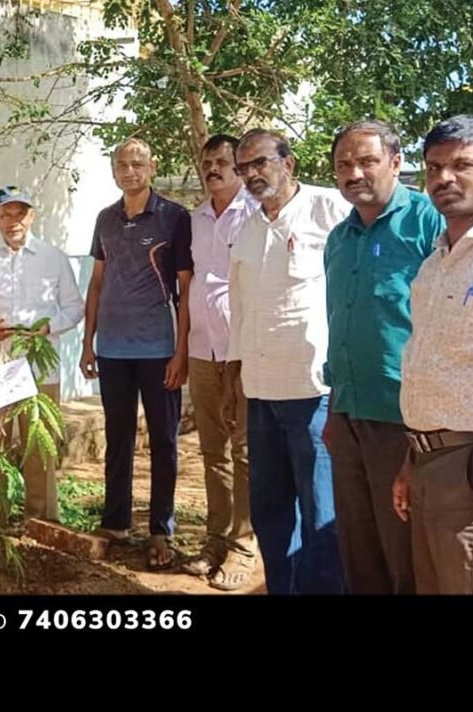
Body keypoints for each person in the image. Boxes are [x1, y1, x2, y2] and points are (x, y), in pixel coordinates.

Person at [323, 119, 442, 594]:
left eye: (367, 161)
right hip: (348, 413)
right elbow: (339, 326)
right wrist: (334, 410)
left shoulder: (428, 222)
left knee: (406, 554)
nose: (355, 173)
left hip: (405, 419)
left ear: (396, 163)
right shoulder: (339, 238)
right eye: (343, 165)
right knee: (358, 548)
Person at [228, 129, 347, 594]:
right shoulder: (248, 227)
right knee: (270, 511)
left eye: (260, 163)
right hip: (260, 391)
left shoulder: (330, 210)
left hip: (313, 391)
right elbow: (240, 306)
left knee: (321, 514)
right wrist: (238, 373)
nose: (252, 175)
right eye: (244, 168)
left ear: (288, 163)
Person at [79, 139, 192, 570]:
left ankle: (161, 528)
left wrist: (181, 351)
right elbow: (96, 283)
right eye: (122, 164)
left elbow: (185, 289)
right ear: (113, 170)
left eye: (138, 163)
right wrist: (89, 341)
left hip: (158, 348)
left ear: (152, 166)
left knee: (164, 440)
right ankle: (116, 522)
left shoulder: (173, 217)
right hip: (112, 348)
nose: (130, 171)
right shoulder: (105, 218)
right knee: (117, 436)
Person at [394, 115, 473, 594]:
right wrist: (412, 461)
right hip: (429, 462)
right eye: (433, 167)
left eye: (462, 165)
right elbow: (428, 364)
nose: (444, 178)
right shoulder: (435, 262)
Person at [0, 185, 84, 522]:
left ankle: (40, 522)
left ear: (32, 216)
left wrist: (47, 327)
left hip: (39, 369)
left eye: (20, 212)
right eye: (6, 213)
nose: (13, 220)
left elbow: (73, 308)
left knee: (39, 449)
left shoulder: (53, 258)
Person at [182, 134, 260, 590]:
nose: (213, 168)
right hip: (201, 349)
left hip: (242, 351)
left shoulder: (255, 214)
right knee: (212, 451)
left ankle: (244, 546)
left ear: (238, 167)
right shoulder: (195, 219)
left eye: (222, 162)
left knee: (244, 451)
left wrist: (243, 354)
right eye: (207, 161)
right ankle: (216, 538)